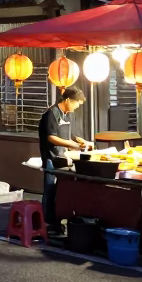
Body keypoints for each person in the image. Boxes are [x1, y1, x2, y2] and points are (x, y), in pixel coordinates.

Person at [38, 87, 92, 231]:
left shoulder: (67, 114)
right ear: (67, 100)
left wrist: (80, 141)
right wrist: (72, 145)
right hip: (51, 157)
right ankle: (47, 222)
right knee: (50, 190)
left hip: (63, 157)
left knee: (61, 190)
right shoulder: (51, 114)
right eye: (76, 104)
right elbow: (51, 137)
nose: (76, 107)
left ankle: (57, 219)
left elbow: (69, 133)